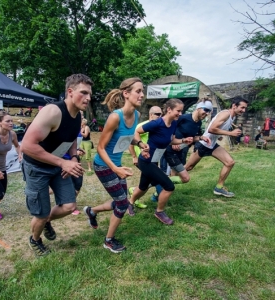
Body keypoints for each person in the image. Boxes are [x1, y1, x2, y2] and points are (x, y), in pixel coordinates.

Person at [21, 74, 93, 257]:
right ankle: (35, 239)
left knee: (69, 206)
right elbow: (27, 146)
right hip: (37, 168)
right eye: (83, 93)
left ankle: (46, 220)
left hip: (56, 166)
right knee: (40, 213)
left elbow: (72, 139)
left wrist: (74, 157)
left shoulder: (77, 115)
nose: (88, 98)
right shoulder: (53, 111)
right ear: (70, 92)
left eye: (90, 94)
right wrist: (63, 162)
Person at [83, 77, 146, 253]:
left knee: (122, 201)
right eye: (138, 91)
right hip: (104, 166)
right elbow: (101, 148)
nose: (142, 95)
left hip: (116, 166)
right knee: (122, 203)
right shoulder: (114, 117)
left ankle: (92, 211)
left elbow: (128, 137)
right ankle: (109, 240)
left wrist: (140, 144)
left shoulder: (136, 115)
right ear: (126, 94)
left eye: (142, 91)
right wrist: (115, 168)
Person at [127, 99, 194, 225]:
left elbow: (171, 140)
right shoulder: (156, 123)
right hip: (145, 161)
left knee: (143, 186)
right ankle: (159, 211)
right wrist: (141, 145)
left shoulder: (173, 124)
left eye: (181, 111)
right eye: (178, 111)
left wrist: (184, 141)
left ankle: (129, 203)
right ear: (169, 109)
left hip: (154, 161)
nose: (180, 114)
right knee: (169, 186)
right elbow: (136, 131)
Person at [184, 98, 249, 197]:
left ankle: (219, 188)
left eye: (245, 108)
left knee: (230, 162)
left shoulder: (232, 117)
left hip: (212, 145)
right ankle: (164, 183)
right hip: (203, 144)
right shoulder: (226, 114)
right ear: (234, 106)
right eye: (242, 107)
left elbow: (217, 129)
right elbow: (211, 129)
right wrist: (230, 133)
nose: (244, 110)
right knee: (187, 168)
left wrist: (220, 135)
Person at [164, 99, 213, 185]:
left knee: (175, 173)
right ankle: (160, 189)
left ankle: (166, 190)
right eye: (206, 110)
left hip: (182, 150)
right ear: (198, 108)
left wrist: (201, 138)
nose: (207, 113)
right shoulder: (183, 118)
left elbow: (192, 138)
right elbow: (169, 128)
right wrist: (173, 142)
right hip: (171, 149)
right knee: (178, 174)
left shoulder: (199, 123)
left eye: (209, 111)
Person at [127, 105, 163, 208]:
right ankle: (160, 204)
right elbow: (130, 142)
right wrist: (134, 156)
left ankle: (134, 193)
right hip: (142, 159)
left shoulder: (159, 126)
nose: (160, 116)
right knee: (157, 179)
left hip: (153, 159)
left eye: (161, 114)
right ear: (150, 115)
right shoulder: (142, 126)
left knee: (146, 182)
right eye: (157, 114)